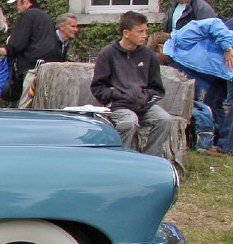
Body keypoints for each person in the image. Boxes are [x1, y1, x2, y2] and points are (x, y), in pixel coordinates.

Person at [91, 11, 177, 157]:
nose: (145, 35)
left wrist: (144, 97)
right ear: (126, 33)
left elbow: (156, 88)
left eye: (146, 31)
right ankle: (120, 159)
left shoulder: (149, 55)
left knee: (165, 120)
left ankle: (150, 159)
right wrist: (118, 96)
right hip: (119, 105)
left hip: (144, 105)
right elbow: (98, 87)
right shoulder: (107, 54)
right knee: (129, 122)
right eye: (140, 31)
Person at [154, 17, 233, 154]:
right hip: (222, 72)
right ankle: (217, 140)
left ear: (161, 47)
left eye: (156, 57)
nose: (158, 62)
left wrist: (227, 47)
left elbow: (214, 23)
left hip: (229, 58)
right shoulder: (176, 60)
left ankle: (226, 147)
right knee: (212, 102)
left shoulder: (182, 37)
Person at [0, 0, 56, 106]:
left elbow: (17, 44)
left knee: (24, 107)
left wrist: (1, 50)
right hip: (49, 69)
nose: (15, 7)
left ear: (25, 0)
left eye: (16, 3)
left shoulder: (28, 15)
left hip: (33, 69)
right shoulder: (45, 17)